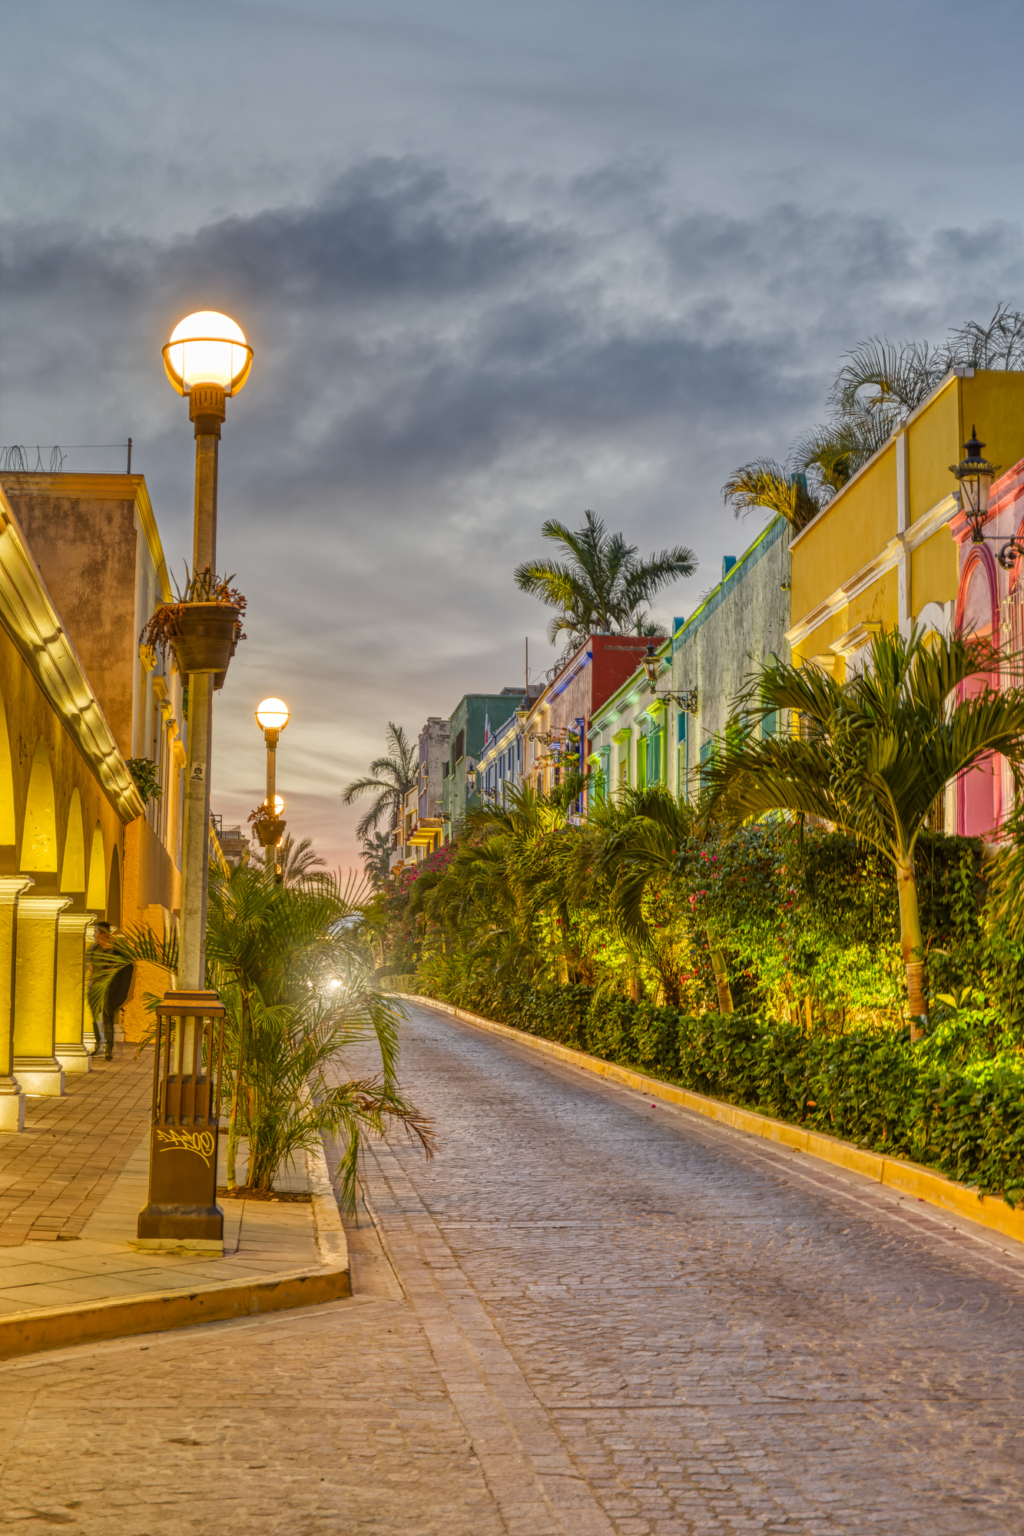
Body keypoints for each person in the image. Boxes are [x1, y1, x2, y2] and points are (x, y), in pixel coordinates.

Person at [88, 923, 134, 1061]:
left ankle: (109, 1048)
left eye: (97, 932)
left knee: (108, 1018)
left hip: (110, 989)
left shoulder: (116, 951)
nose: (95, 935)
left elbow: (126, 968)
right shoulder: (95, 949)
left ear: (104, 934)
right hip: (95, 988)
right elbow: (92, 966)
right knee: (95, 1017)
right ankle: (98, 1045)